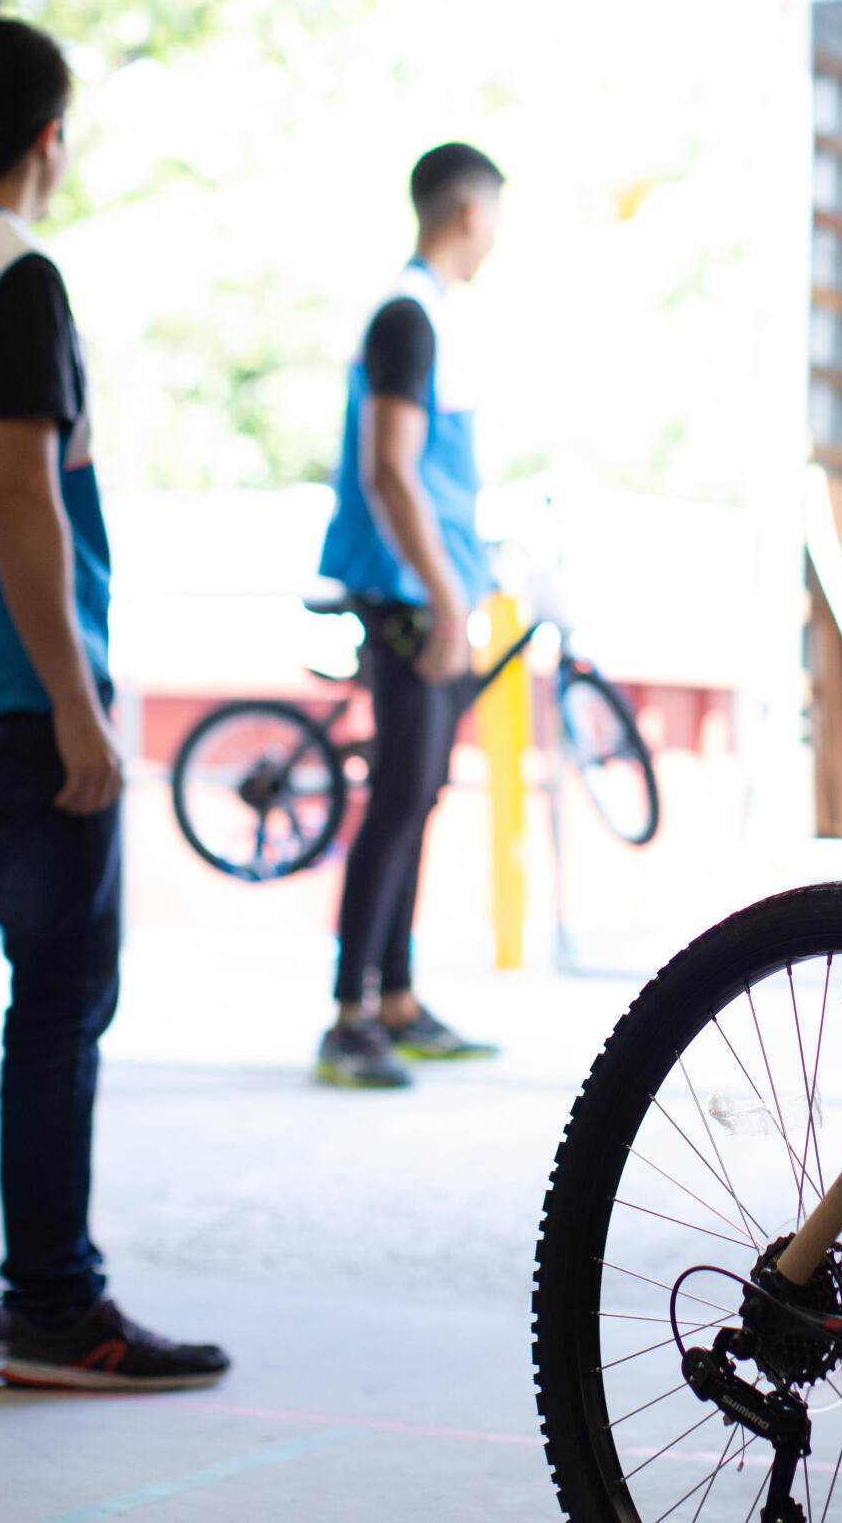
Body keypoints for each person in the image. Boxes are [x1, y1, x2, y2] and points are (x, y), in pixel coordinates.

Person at [0, 18, 229, 1389]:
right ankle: (58, 1311)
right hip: (17, 707)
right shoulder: (15, 280)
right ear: (47, 139)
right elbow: (21, 493)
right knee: (59, 996)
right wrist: (78, 707)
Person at [315, 143, 506, 1089]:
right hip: (404, 593)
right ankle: (349, 1015)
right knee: (398, 796)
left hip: (427, 585)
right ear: (470, 213)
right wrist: (444, 594)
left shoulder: (427, 316)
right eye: (496, 217)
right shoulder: (408, 314)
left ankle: (394, 997)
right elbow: (389, 468)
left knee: (416, 792)